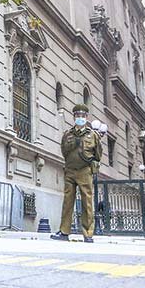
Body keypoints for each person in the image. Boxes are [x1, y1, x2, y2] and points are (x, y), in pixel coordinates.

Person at [50, 103, 102, 243]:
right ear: (74, 117)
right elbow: (64, 151)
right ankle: (64, 232)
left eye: (83, 116)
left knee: (87, 202)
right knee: (68, 201)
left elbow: (98, 154)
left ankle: (88, 234)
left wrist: (92, 166)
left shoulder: (93, 135)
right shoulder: (67, 134)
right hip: (70, 170)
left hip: (85, 171)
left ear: (86, 117)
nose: (80, 118)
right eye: (78, 115)